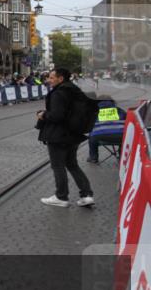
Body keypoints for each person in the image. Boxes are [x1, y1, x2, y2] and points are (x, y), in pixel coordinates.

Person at [36, 67, 95, 208]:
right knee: (72, 164)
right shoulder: (75, 90)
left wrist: (43, 115)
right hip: (74, 133)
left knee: (58, 166)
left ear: (60, 79)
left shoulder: (59, 93)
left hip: (58, 135)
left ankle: (61, 197)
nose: (49, 80)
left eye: (51, 77)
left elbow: (57, 116)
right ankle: (86, 195)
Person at [86, 99, 127, 164]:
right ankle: (121, 156)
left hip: (100, 136)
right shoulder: (119, 110)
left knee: (91, 137)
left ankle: (93, 157)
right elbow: (127, 121)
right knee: (125, 137)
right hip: (119, 137)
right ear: (112, 102)